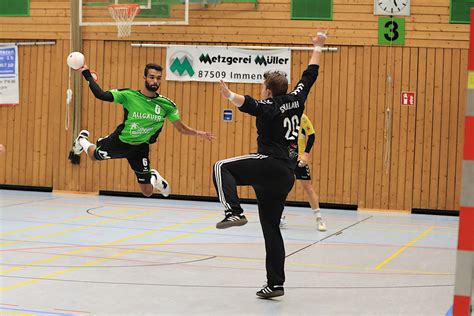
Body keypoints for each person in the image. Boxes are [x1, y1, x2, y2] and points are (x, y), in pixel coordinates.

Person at [212, 30, 328, 298]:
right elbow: (310, 74)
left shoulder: (269, 105)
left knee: (221, 167)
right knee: (271, 229)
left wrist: (229, 94)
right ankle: (275, 284)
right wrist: (319, 46)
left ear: (267, 89)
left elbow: (247, 103)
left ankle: (234, 211)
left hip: (269, 164)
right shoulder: (297, 99)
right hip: (286, 174)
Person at [71, 63, 215, 197]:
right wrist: (86, 74)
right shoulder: (129, 95)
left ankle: (153, 176)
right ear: (145, 77)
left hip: (140, 148)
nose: (155, 81)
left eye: (158, 78)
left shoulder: (167, 105)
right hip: (120, 141)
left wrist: (198, 133)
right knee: (93, 155)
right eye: (151, 77)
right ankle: (82, 139)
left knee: (147, 192)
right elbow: (100, 95)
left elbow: (181, 128)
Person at [280, 113, 326, 231]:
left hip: (299, 158)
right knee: (280, 188)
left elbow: (311, 135)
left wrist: (305, 154)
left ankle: (319, 219)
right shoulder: (282, 115)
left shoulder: (303, 117)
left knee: (308, 188)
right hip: (285, 158)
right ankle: (278, 216)